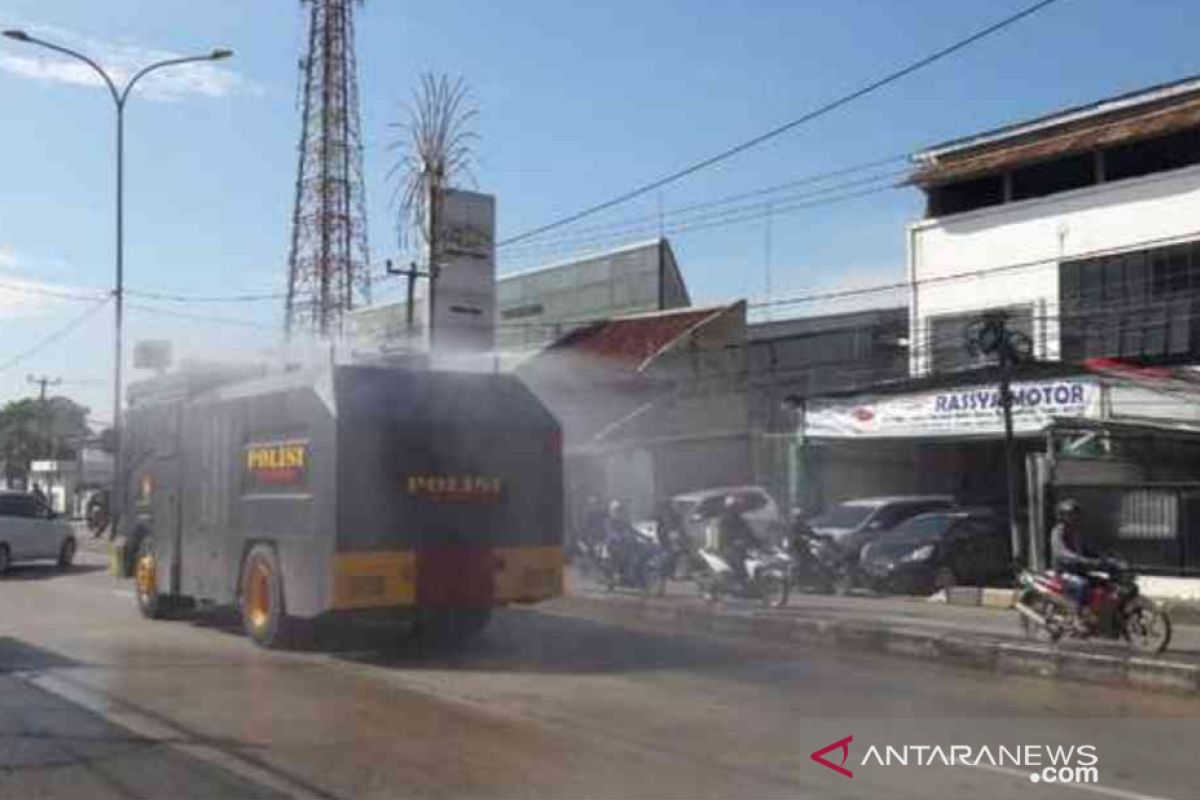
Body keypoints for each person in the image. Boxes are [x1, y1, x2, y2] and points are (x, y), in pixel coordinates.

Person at [1049, 498, 1101, 626]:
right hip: (1063, 572)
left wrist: (1102, 557)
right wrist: (1079, 558)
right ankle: (1076, 617)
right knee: (1082, 585)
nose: (1074, 518)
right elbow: (1061, 552)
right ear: (1062, 516)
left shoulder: (1077, 532)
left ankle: (1091, 612)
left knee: (1101, 583)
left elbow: (1088, 547)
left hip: (1078, 570)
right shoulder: (1057, 532)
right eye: (1070, 515)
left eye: (1075, 514)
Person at [712, 494, 762, 584]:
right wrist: (734, 541)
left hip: (741, 546)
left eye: (738, 506)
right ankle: (738, 582)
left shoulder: (739, 519)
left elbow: (748, 531)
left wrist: (757, 541)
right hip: (728, 546)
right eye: (736, 506)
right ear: (730, 507)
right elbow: (724, 534)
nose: (738, 508)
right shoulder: (724, 519)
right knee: (739, 562)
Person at [603, 499, 640, 582]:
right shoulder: (608, 521)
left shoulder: (624, 520)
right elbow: (610, 531)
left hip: (625, 542)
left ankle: (633, 574)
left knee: (636, 553)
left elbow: (633, 530)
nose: (618, 512)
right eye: (616, 510)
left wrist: (645, 537)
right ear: (611, 510)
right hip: (612, 543)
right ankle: (615, 574)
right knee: (617, 555)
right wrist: (618, 537)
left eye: (620, 510)